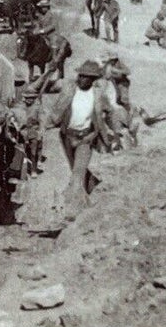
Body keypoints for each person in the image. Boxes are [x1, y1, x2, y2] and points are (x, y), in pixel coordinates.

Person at [43, 59, 118, 218]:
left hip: (86, 138)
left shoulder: (98, 95)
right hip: (66, 136)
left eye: (86, 77)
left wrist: (115, 133)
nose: (81, 79)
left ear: (93, 79)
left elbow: (110, 113)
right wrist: (47, 73)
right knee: (76, 170)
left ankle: (73, 212)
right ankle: (94, 192)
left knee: (77, 175)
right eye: (81, 75)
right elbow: (47, 87)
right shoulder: (69, 87)